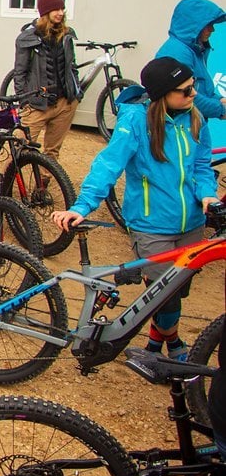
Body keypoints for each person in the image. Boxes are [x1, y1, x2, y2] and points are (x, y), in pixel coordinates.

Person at [52, 57, 217, 362]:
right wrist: (82, 206)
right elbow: (108, 165)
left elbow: (203, 167)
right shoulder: (136, 122)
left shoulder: (195, 119)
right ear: (163, 94)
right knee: (164, 297)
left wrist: (207, 196)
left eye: (194, 88)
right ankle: (176, 350)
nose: (194, 95)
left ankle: (154, 347)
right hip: (152, 225)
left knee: (174, 294)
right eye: (185, 91)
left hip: (192, 224)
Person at [12, 0, 81, 161]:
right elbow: (19, 72)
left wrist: (76, 93)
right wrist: (24, 102)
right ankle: (6, 185)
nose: (60, 13)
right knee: (19, 148)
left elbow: (72, 67)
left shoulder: (66, 35)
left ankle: (42, 185)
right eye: (55, 9)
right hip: (36, 105)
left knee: (52, 152)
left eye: (62, 9)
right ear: (45, 12)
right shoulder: (28, 37)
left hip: (64, 103)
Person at [154, 0, 226, 122]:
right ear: (194, 25)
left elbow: (201, 89)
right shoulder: (177, 52)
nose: (212, 30)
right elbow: (186, 96)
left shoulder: (193, 49)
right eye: (208, 25)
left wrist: (219, 100)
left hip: (191, 123)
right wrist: (220, 109)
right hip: (181, 125)